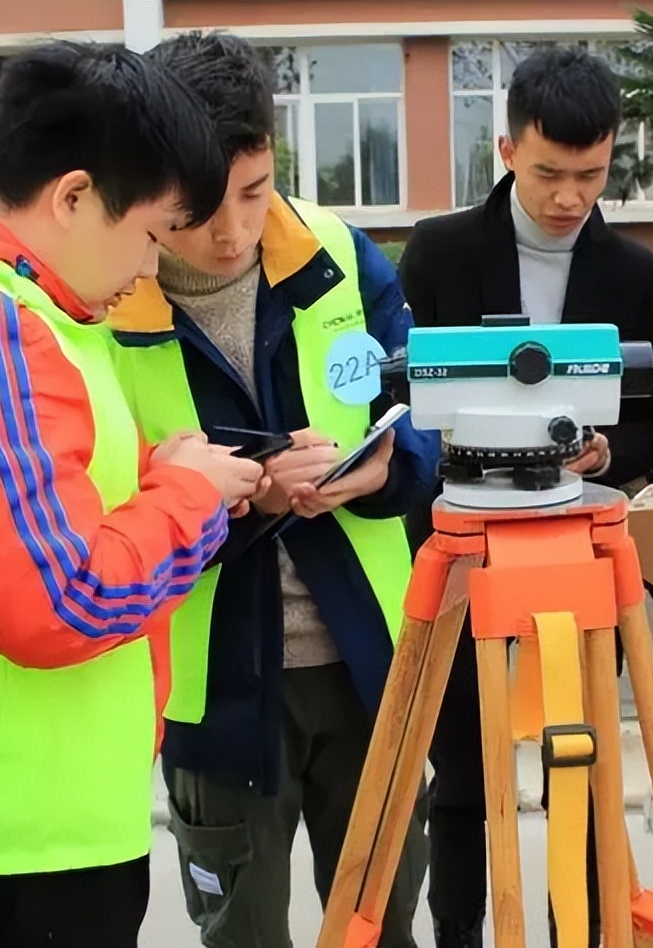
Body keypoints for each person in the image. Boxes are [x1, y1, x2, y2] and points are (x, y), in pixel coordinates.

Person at [0, 42, 266, 948]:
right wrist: (187, 496)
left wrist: (159, 473)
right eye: (150, 233)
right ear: (71, 197)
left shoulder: (29, 310)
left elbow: (55, 500)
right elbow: (65, 597)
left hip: (11, 832)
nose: (150, 270)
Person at [106, 33, 434, 948]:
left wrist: (385, 462)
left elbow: (421, 416)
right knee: (242, 933)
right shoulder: (101, 303)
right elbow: (96, 505)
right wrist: (237, 500)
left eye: (254, 193)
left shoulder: (339, 257)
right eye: (200, 208)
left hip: (370, 670)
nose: (231, 231)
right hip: (216, 695)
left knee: (380, 927)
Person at [396, 46, 653, 948]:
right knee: (465, 780)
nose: (568, 197)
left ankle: (579, 933)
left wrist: (602, 450)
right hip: (465, 549)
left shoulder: (631, 272)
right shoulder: (438, 253)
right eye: (550, 172)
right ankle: (460, 934)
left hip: (576, 555)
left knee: (576, 767)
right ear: (509, 148)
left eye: (590, 175)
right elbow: (399, 400)